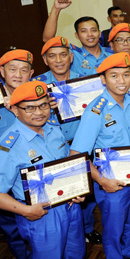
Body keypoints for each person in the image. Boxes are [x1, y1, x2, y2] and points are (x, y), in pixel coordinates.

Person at [0, 81, 108, 259]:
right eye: (30, 108)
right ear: (15, 110)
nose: (39, 112)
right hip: (41, 214)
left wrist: (79, 189)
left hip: (69, 204)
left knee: (75, 246)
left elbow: (68, 166)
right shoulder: (8, 146)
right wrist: (27, 211)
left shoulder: (53, 129)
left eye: (43, 105)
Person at [69, 53, 130, 259]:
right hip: (111, 180)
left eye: (126, 74)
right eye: (114, 76)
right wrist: (101, 180)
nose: (121, 81)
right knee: (114, 225)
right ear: (103, 79)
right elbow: (77, 155)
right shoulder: (96, 110)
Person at [34, 37, 103, 244]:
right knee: (59, 193)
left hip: (83, 144)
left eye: (63, 54)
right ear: (45, 60)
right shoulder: (36, 85)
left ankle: (87, 227)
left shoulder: (87, 81)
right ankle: (62, 238)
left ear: (71, 57)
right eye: (52, 56)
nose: (58, 60)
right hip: (53, 148)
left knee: (86, 192)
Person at [0, 50, 37, 259]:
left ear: (31, 73)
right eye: (12, 69)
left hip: (34, 174)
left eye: (24, 70)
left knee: (41, 224)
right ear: (1, 73)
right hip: (3, 179)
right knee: (11, 227)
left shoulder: (38, 98)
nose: (18, 75)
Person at [43, 0, 110, 74]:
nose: (90, 34)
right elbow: (48, 40)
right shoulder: (73, 55)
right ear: (77, 36)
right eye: (84, 31)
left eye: (93, 30)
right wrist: (56, 9)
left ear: (99, 33)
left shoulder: (111, 53)